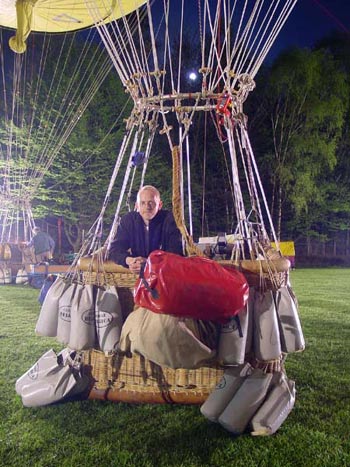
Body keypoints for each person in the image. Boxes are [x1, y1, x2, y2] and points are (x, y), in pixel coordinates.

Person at [108, 185, 183, 273]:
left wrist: (148, 263)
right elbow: (114, 250)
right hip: (136, 274)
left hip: (164, 274)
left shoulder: (170, 220)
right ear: (137, 206)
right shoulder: (128, 221)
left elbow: (175, 253)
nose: (147, 207)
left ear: (160, 205)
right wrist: (129, 261)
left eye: (151, 202)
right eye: (143, 203)